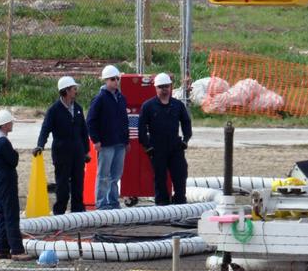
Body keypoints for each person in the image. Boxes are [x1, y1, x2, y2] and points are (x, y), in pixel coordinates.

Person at [34, 76, 90, 214]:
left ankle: (78, 211)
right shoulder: (54, 110)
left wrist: (86, 151)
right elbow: (45, 129)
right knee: (62, 185)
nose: (76, 91)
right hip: (61, 153)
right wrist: (40, 145)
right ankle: (60, 212)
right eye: (73, 89)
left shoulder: (78, 108)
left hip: (77, 152)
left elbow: (83, 130)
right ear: (65, 91)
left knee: (78, 183)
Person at [137, 72, 191, 205]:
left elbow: (186, 122)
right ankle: (162, 205)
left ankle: (180, 203)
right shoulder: (148, 106)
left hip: (175, 147)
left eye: (166, 86)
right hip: (157, 148)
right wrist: (147, 146)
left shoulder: (177, 105)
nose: (164, 89)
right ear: (156, 88)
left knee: (180, 176)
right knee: (160, 178)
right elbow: (141, 128)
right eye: (161, 87)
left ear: (171, 87)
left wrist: (185, 140)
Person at [0, 109, 34, 261]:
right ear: (4, 125)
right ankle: (16, 249)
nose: (12, 124)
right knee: (11, 215)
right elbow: (13, 160)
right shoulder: (3, 142)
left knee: (3, 215)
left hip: (0, 182)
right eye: (10, 122)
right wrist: (15, 153)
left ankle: (2, 249)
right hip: (6, 182)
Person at [86, 64, 128, 210]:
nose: (116, 81)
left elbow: (124, 121)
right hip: (106, 143)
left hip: (119, 143)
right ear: (106, 80)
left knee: (115, 176)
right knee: (103, 175)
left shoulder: (121, 98)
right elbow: (91, 120)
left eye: (117, 78)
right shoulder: (100, 99)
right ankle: (102, 203)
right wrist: (95, 140)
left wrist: (126, 140)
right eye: (112, 79)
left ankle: (113, 201)